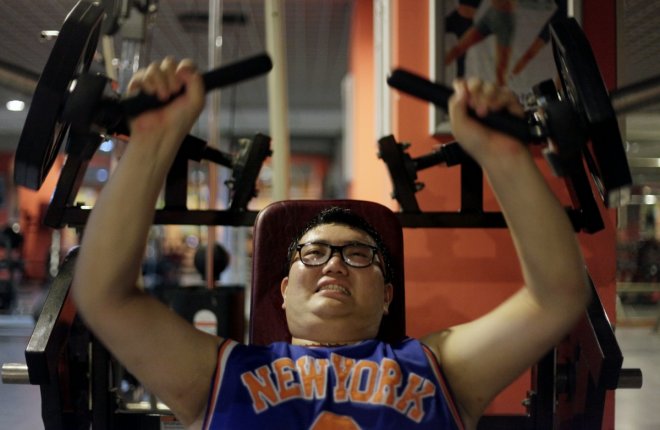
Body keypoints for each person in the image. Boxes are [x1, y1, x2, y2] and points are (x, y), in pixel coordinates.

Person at [71, 58, 590, 429]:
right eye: (313, 253)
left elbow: (556, 297)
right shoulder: (220, 373)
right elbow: (105, 296)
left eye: (359, 254)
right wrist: (154, 142)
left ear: (387, 294)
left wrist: (503, 156)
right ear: (281, 289)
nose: (334, 265)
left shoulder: (440, 367)